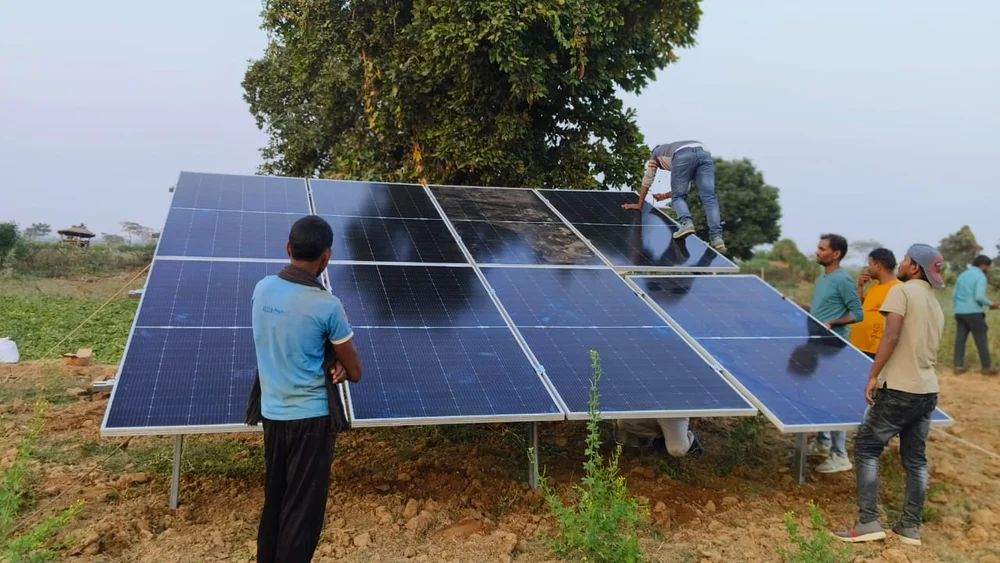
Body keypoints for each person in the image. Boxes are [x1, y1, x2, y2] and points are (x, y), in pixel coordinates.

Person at [251, 216, 363, 563]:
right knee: (302, 512)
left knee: (276, 500)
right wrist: (339, 363)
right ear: (326, 257)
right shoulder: (327, 305)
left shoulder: (263, 288)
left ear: (288, 248)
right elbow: (356, 371)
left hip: (272, 414)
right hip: (311, 422)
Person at [834, 244, 946, 547]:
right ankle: (910, 527)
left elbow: (891, 335)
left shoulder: (902, 292)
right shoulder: (935, 304)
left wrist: (873, 375)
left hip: (899, 388)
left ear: (914, 268)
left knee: (867, 447)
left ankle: (868, 521)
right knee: (916, 461)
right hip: (927, 390)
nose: (903, 263)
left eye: (907, 260)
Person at [798, 233, 863, 473]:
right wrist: (803, 307)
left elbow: (857, 314)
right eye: (818, 247)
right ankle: (823, 443)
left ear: (836, 254)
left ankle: (840, 454)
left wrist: (833, 323)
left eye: (823, 248)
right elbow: (821, 310)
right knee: (817, 395)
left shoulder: (843, 280)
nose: (818, 251)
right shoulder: (823, 278)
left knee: (832, 398)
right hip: (817, 343)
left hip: (833, 347)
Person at [621, 140, 726, 253]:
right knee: (710, 198)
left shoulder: (655, 153)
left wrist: (639, 204)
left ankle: (687, 223)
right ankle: (717, 238)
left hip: (683, 154)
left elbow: (648, 179)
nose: (661, 169)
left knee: (678, 198)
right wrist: (664, 196)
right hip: (704, 152)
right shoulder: (672, 148)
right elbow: (686, 186)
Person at [952, 255, 999, 375]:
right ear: (983, 265)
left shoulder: (962, 275)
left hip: (960, 312)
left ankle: (958, 367)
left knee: (960, 339)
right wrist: (991, 304)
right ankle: (986, 367)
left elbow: (954, 295)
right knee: (981, 339)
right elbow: (979, 297)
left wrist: (958, 308)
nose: (988, 270)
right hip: (974, 312)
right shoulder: (980, 276)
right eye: (988, 267)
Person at [851, 248, 902, 359]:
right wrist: (860, 286)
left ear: (878, 266)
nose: (868, 268)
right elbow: (859, 308)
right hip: (859, 346)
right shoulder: (875, 286)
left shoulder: (898, 288)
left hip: (874, 350)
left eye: (870, 264)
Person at [613, 418, 704, 458]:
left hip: (672, 412)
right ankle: (661, 437)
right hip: (649, 406)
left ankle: (689, 437)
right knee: (624, 422)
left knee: (676, 450)